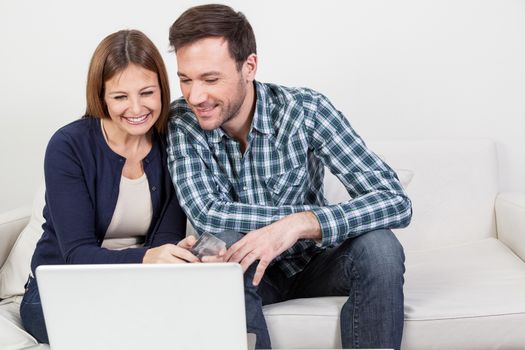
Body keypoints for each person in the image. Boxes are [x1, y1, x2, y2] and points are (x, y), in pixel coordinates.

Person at [166, 4, 413, 350]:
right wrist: (281, 226)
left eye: (210, 79)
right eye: (185, 79)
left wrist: (299, 225)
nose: (195, 96)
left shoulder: (306, 110)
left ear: (249, 67)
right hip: (244, 267)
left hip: (314, 263)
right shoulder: (182, 120)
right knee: (216, 252)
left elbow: (394, 200)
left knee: (381, 247)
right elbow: (207, 211)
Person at [20, 29, 199, 344]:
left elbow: (165, 239)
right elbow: (76, 254)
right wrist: (148, 258)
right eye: (120, 96)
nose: (136, 108)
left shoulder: (173, 142)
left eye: (147, 92)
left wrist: (173, 255)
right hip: (59, 290)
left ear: (162, 90)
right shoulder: (68, 145)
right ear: (100, 96)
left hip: (138, 286)